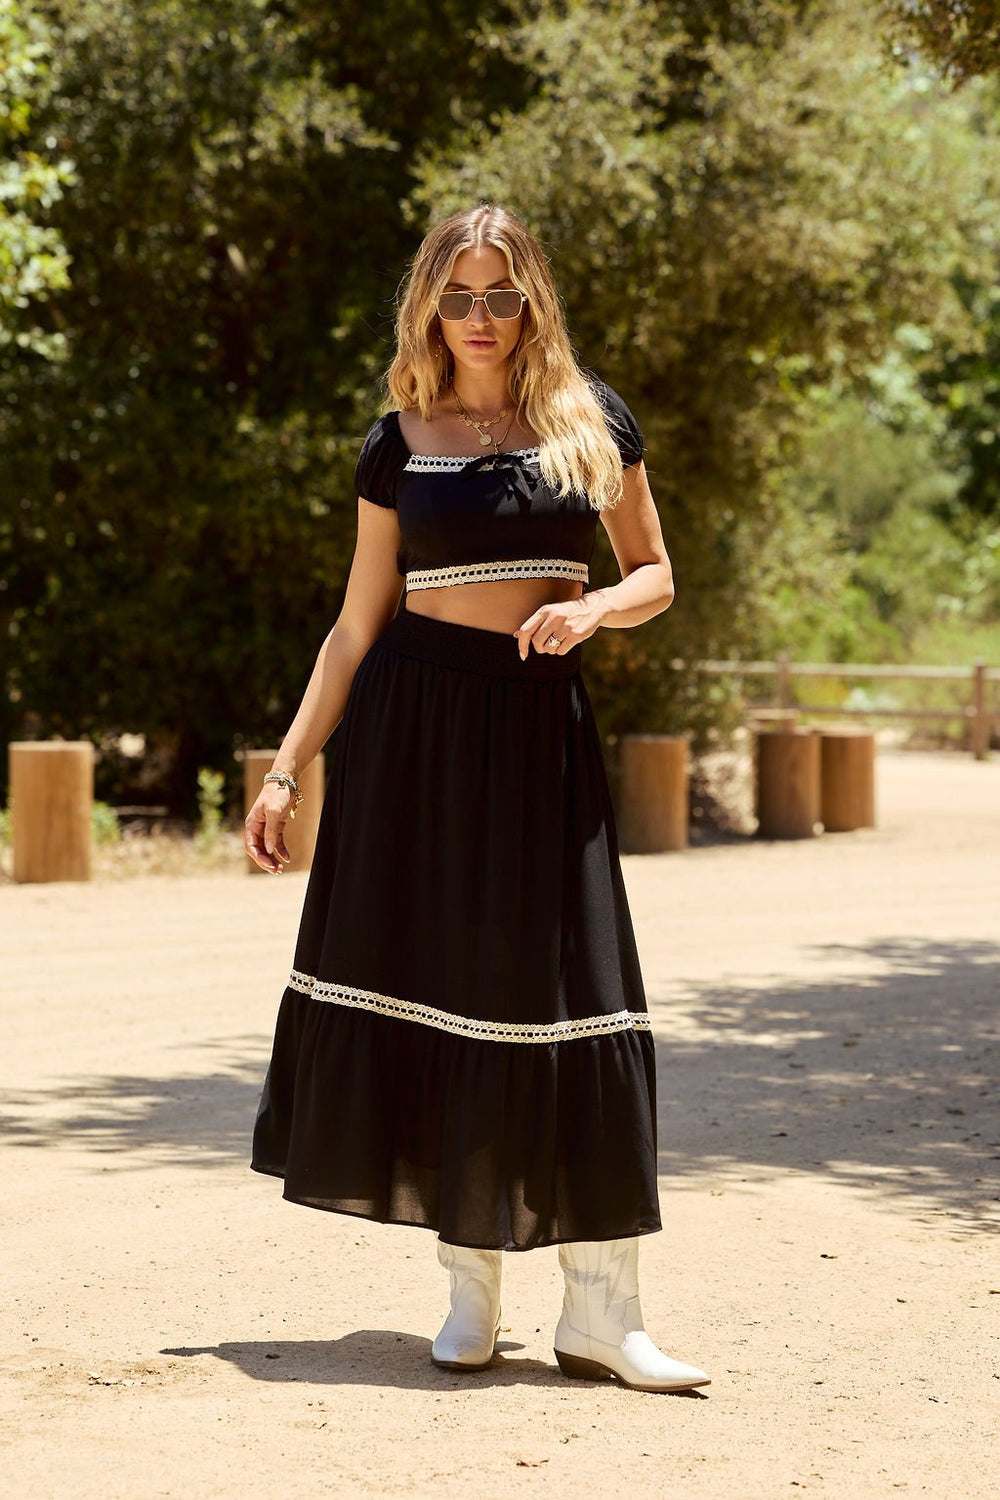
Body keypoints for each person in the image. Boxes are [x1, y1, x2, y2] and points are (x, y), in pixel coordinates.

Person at [246, 204, 709, 1393]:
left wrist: (592, 608)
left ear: (532, 301)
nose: (483, 318)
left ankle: (605, 1313)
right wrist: (290, 764)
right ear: (429, 307)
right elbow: (355, 627)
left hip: (537, 730)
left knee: (579, 991)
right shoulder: (398, 440)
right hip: (416, 732)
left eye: (503, 294)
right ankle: (471, 1293)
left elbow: (653, 571)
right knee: (453, 992)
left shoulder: (589, 419)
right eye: (460, 295)